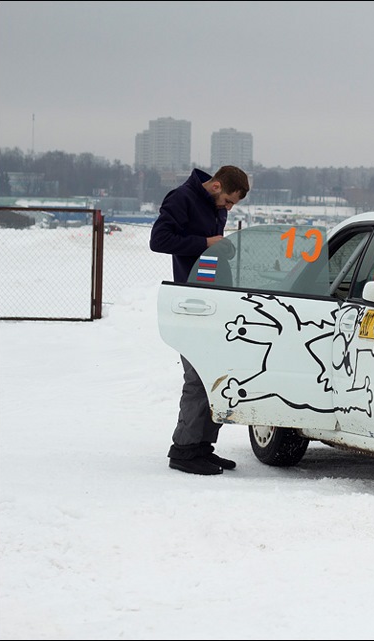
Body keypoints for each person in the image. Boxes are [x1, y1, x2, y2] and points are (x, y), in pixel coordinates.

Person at [150, 165, 250, 475]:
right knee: (196, 377)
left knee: (214, 376)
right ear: (216, 185)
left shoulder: (212, 203)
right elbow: (159, 239)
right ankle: (183, 450)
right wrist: (204, 243)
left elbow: (209, 245)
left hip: (214, 299)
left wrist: (223, 248)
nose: (229, 209)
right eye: (229, 202)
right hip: (191, 303)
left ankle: (202, 448)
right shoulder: (181, 198)